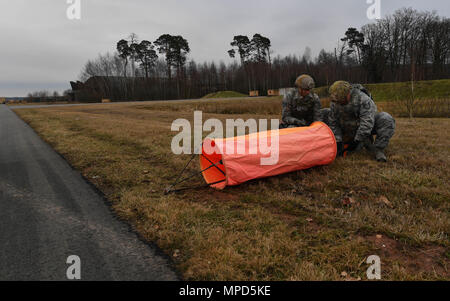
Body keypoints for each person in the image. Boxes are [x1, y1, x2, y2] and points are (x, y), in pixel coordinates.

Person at [326, 81, 396, 162]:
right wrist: (338, 141)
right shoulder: (335, 102)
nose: (340, 103)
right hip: (347, 128)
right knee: (324, 112)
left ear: (348, 93)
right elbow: (333, 122)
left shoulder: (363, 99)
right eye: (338, 102)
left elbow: (367, 122)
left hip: (363, 129)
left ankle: (378, 149)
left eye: (342, 100)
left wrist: (357, 140)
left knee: (386, 119)